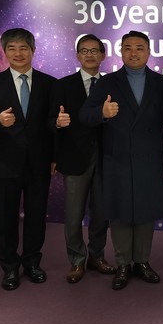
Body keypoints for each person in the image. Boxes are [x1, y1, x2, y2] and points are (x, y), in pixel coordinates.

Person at [79, 30, 163, 290]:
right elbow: (85, 115)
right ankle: (122, 264)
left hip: (150, 157)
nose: (134, 53)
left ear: (149, 51)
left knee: (145, 211)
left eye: (139, 48)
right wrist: (103, 112)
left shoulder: (162, 83)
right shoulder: (107, 82)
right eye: (128, 48)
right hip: (117, 157)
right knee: (119, 212)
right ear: (121, 52)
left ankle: (142, 261)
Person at [0, 28, 56, 290]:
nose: (18, 53)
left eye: (23, 48)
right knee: (6, 220)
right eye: (12, 48)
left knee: (36, 217)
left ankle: (32, 263)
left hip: (39, 164)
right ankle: (9, 268)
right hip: (3, 164)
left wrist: (54, 157)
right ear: (4, 51)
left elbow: (51, 125)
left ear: (33, 50)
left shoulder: (50, 84)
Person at [49, 34, 115, 284]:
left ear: (103, 55)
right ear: (77, 55)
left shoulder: (112, 84)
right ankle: (77, 260)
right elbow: (49, 121)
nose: (90, 55)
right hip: (74, 157)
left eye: (94, 50)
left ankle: (97, 256)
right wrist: (57, 123)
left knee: (101, 213)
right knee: (74, 214)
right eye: (84, 51)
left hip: (107, 158)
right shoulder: (63, 85)